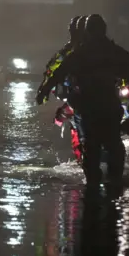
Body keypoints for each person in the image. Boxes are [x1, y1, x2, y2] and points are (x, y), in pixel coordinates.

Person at [57, 14, 129, 191]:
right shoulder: (77, 51)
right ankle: (108, 184)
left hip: (94, 106)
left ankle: (102, 183)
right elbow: (58, 73)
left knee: (99, 148)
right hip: (97, 105)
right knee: (107, 147)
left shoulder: (83, 52)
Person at [36, 15, 87, 164]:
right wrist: (45, 89)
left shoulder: (78, 52)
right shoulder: (71, 52)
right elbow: (55, 70)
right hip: (79, 97)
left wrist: (44, 89)